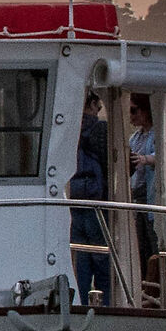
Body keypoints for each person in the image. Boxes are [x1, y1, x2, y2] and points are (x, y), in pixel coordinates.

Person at [66, 89, 112, 307]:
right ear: (92, 104)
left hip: (75, 201)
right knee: (103, 263)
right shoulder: (100, 129)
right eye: (98, 106)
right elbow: (113, 163)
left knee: (81, 261)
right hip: (96, 203)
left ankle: (81, 304)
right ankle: (106, 306)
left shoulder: (69, 129)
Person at [129, 93, 158, 289]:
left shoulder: (156, 134)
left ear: (145, 111)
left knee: (153, 241)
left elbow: (161, 154)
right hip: (137, 194)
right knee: (141, 245)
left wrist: (145, 159)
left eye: (134, 111)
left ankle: (156, 286)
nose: (131, 116)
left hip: (152, 195)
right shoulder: (135, 137)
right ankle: (144, 287)